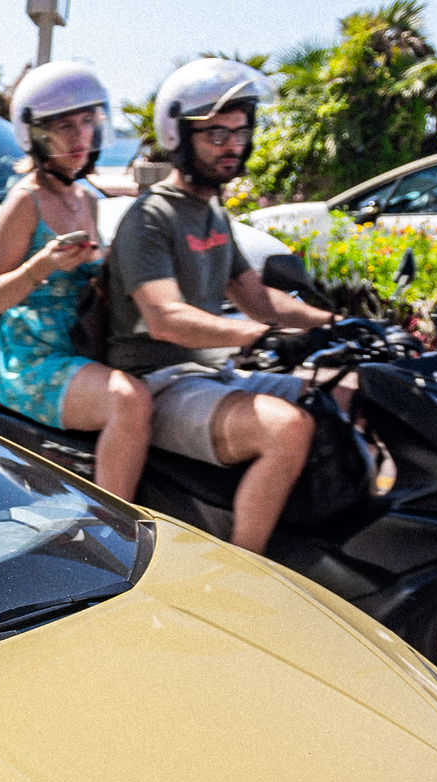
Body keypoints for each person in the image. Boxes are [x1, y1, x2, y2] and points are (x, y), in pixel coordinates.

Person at [105, 59, 338, 551]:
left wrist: (337, 324)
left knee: (348, 393)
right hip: (160, 382)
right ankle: (248, 566)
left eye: (239, 131)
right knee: (286, 429)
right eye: (216, 134)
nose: (233, 145)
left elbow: (256, 298)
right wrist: (252, 334)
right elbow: (165, 319)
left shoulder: (212, 213)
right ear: (180, 138)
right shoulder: (150, 218)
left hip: (214, 374)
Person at [0, 61, 149, 503]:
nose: (80, 138)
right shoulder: (25, 202)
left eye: (87, 123)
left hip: (82, 346)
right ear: (36, 135)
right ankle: (116, 526)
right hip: (32, 359)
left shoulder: (85, 199)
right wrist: (44, 265)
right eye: (63, 127)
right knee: (128, 400)